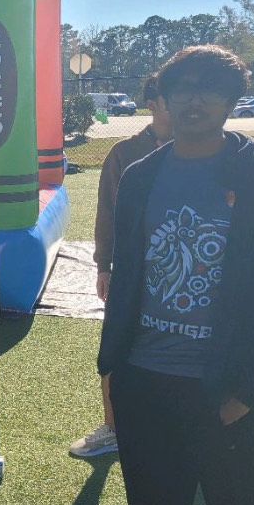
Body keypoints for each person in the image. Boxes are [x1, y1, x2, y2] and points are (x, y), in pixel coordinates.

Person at [98, 45, 254, 505]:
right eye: (183, 87)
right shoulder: (140, 177)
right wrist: (114, 369)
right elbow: (127, 277)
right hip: (144, 385)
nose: (195, 99)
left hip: (227, 390)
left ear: (232, 98)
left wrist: (252, 391)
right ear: (164, 98)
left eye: (209, 87)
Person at [71, 74, 172, 458]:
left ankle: (180, 429)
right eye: (171, 97)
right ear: (153, 104)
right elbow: (107, 215)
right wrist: (104, 266)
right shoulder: (125, 153)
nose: (182, 104)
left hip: (185, 277)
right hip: (132, 274)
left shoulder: (207, 151)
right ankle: (114, 428)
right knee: (115, 349)